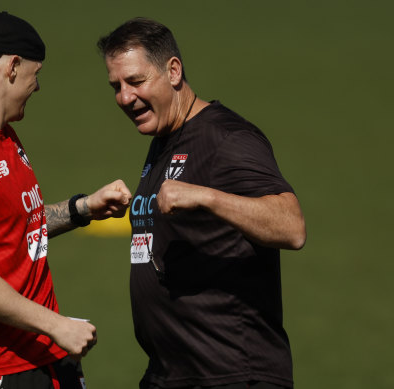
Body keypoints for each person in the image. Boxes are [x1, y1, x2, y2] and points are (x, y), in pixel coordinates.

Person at [0, 12, 132, 389]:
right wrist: (55, 325)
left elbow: (15, 224)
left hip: (39, 359)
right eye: (36, 74)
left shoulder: (5, 138)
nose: (37, 87)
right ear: (13, 66)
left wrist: (82, 209)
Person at [97, 18, 306, 389]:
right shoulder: (164, 139)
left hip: (233, 373)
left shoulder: (226, 138)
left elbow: (291, 227)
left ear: (173, 71)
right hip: (170, 373)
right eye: (116, 86)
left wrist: (206, 197)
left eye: (136, 81)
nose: (124, 98)